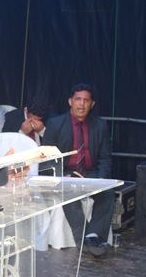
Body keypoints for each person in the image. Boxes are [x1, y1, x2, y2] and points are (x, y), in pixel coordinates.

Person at [42, 83, 112, 257]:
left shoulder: (100, 125)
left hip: (91, 174)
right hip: (65, 173)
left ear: (92, 104)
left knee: (108, 193)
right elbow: (46, 160)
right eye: (78, 99)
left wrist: (101, 179)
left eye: (86, 100)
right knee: (69, 194)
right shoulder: (55, 124)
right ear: (70, 101)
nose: (81, 104)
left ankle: (92, 235)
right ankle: (85, 241)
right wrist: (61, 176)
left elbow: (105, 158)